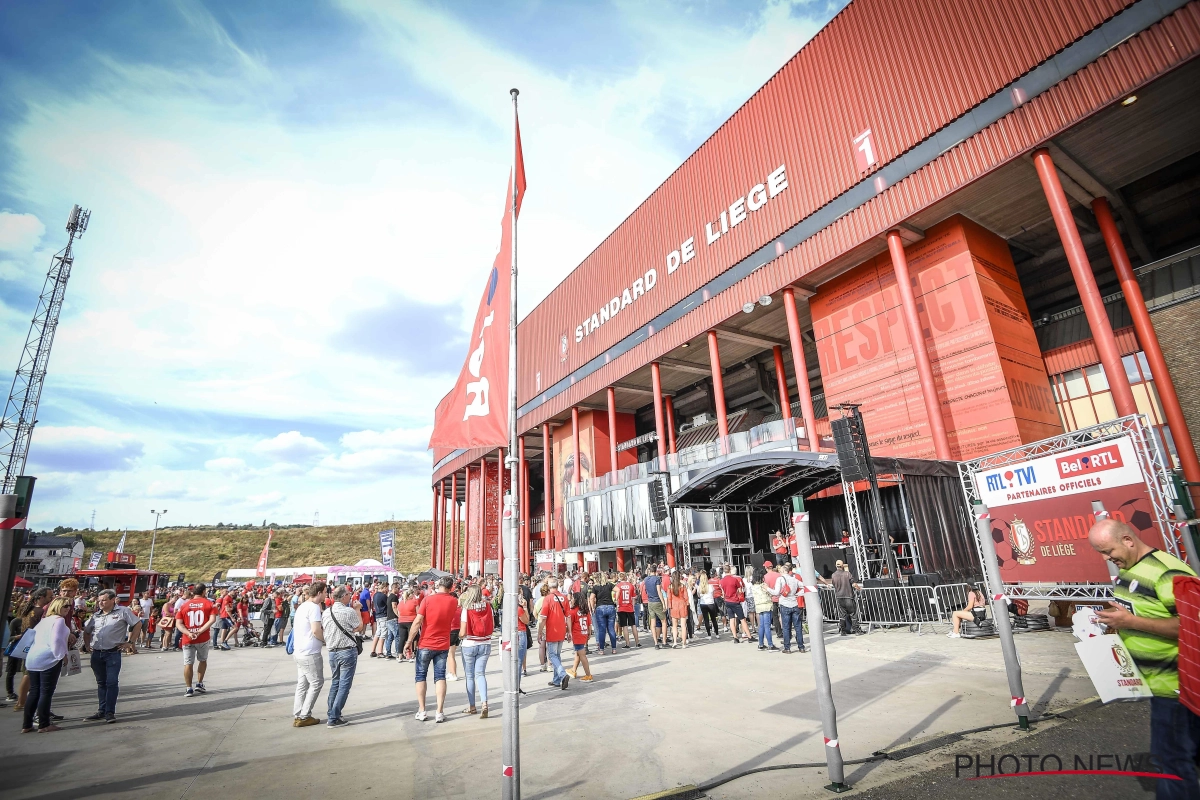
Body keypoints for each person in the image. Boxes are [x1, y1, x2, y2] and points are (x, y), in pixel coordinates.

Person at [1089, 518, 1199, 797]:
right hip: (1157, 684)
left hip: (1176, 686)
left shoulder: (1167, 572)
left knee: (1171, 760)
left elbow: (1191, 626)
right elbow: (1140, 614)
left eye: (1108, 551)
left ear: (1128, 540)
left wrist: (1131, 623)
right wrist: (1116, 623)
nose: (1107, 559)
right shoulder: (1130, 570)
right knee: (1182, 754)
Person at [404, 576, 458, 722]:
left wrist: (409, 641)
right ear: (451, 587)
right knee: (440, 676)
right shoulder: (453, 601)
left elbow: (417, 622)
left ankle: (422, 710)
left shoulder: (427, 600)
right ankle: (439, 712)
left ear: (438, 585)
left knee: (421, 676)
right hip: (442, 643)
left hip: (426, 642)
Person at [82, 589, 141, 722]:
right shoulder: (96, 615)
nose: (100, 603)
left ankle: (110, 712)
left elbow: (137, 623)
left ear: (112, 600)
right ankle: (101, 711)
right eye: (99, 600)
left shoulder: (123, 611)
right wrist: (87, 645)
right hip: (97, 653)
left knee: (112, 682)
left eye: (104, 600)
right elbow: (87, 631)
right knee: (101, 683)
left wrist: (130, 643)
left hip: (113, 653)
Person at [21, 598, 72, 733]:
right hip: (47, 658)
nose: (68, 608)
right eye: (65, 605)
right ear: (57, 606)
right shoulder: (59, 620)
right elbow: (56, 639)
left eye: (69, 606)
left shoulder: (44, 621)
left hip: (33, 657)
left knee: (34, 691)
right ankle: (44, 724)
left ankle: (27, 724)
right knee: (46, 692)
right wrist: (61, 655)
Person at [322, 585, 363, 728]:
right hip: (346, 650)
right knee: (344, 685)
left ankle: (332, 713)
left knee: (336, 683)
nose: (350, 596)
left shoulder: (327, 612)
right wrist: (358, 610)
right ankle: (334, 717)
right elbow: (359, 626)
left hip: (332, 651)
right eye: (348, 594)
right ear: (343, 596)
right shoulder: (348, 611)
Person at [291, 582, 327, 727]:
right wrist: (326, 640)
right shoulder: (314, 608)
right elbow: (316, 630)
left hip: (299, 651)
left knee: (302, 684)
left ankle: (298, 713)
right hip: (310, 652)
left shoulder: (302, 606)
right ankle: (305, 715)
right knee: (317, 683)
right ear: (319, 593)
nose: (326, 595)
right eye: (325, 592)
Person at [458, 584, 494, 718]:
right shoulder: (487, 606)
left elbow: (462, 632)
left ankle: (472, 706)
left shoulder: (466, 609)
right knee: (480, 674)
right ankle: (484, 703)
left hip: (469, 643)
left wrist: (459, 637)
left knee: (470, 676)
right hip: (485, 642)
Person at [177, 585, 216, 697]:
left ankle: (189, 688)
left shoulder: (184, 605)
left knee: (188, 663)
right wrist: (199, 631)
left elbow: (178, 623)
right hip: (203, 637)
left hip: (188, 638)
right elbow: (212, 620)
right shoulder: (209, 603)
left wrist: (189, 633)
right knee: (202, 660)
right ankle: (199, 683)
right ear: (204, 592)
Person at [538, 577, 570, 690]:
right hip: (562, 630)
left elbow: (542, 618)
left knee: (552, 655)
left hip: (552, 631)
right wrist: (569, 631)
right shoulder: (564, 598)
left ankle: (562, 674)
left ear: (549, 586)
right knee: (557, 655)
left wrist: (539, 632)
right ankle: (557, 680)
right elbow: (568, 616)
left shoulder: (548, 599)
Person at [819, 560, 862, 636]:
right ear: (842, 566)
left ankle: (843, 631)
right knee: (853, 614)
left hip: (839, 597)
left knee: (842, 615)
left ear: (836, 566)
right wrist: (859, 588)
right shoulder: (847, 574)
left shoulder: (833, 575)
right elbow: (854, 584)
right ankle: (857, 630)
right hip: (848, 596)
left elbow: (834, 585)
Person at [771, 563, 805, 653]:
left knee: (786, 627)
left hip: (785, 604)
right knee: (798, 626)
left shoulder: (780, 579)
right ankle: (801, 647)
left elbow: (776, 592)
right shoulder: (794, 579)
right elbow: (805, 586)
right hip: (794, 603)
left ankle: (787, 648)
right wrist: (798, 594)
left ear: (783, 571)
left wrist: (767, 589)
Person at [719, 564, 751, 643]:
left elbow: (722, 592)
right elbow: (740, 591)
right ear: (730, 570)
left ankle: (735, 637)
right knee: (742, 619)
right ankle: (749, 636)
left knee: (731, 619)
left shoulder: (721, 581)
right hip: (735, 601)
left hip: (727, 601)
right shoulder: (734, 580)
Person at [588, 573, 618, 656]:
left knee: (602, 630)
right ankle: (614, 649)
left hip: (600, 607)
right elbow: (618, 590)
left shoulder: (595, 587)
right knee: (611, 629)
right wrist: (615, 599)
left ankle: (601, 649)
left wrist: (593, 607)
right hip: (611, 607)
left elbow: (591, 598)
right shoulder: (609, 585)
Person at [566, 591, 593, 682]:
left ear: (576, 600)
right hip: (584, 633)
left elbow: (569, 624)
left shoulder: (573, 611)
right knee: (578, 653)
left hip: (577, 634)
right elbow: (589, 623)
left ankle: (588, 675)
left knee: (582, 655)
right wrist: (589, 633)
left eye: (573, 598)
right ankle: (573, 670)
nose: (571, 600)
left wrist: (567, 633)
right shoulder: (585, 611)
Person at [751, 568, 776, 650]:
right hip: (766, 606)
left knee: (761, 626)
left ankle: (760, 644)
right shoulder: (763, 585)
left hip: (759, 607)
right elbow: (770, 593)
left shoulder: (753, 586)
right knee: (767, 626)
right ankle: (770, 644)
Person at [642, 568, 668, 650]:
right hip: (657, 601)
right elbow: (659, 591)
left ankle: (656, 643)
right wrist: (663, 603)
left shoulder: (646, 579)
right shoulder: (657, 579)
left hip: (650, 602)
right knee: (663, 621)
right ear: (656, 571)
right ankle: (664, 642)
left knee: (652, 623)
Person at [614, 572, 640, 649]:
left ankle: (627, 644)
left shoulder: (618, 586)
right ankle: (637, 642)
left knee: (624, 626)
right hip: (629, 607)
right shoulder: (631, 585)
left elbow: (616, 598)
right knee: (633, 625)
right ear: (625, 577)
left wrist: (617, 606)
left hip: (621, 607)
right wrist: (633, 606)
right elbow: (634, 598)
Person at [396, 582, 421, 663]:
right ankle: (410, 655)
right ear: (411, 595)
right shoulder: (414, 602)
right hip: (411, 621)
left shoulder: (401, 603)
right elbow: (418, 613)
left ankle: (400, 655)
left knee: (402, 639)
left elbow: (398, 613)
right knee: (411, 639)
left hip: (401, 621)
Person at [666, 571, 690, 649]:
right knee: (683, 626)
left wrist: (669, 607)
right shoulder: (683, 586)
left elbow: (669, 598)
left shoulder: (670, 587)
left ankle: (675, 642)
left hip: (674, 606)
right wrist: (687, 604)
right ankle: (684, 643)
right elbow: (686, 597)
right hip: (682, 605)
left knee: (674, 626)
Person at [697, 571, 720, 639]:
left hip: (703, 604)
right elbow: (713, 594)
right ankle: (717, 634)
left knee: (706, 619)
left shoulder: (699, 587)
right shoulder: (710, 586)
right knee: (713, 619)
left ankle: (709, 635)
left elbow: (698, 596)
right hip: (711, 603)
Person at [370, 581, 390, 658]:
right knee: (383, 633)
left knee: (378, 633)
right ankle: (380, 651)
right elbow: (388, 604)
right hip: (383, 615)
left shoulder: (375, 595)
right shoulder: (383, 596)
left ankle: (373, 650)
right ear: (384, 587)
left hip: (377, 615)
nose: (387, 589)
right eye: (387, 588)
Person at [384, 581, 401, 660]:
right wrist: (398, 615)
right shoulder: (394, 596)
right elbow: (394, 607)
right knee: (397, 636)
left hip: (389, 618)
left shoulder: (389, 596)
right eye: (398, 588)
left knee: (390, 637)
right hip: (393, 619)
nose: (399, 589)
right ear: (394, 588)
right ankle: (398, 653)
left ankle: (388, 653)